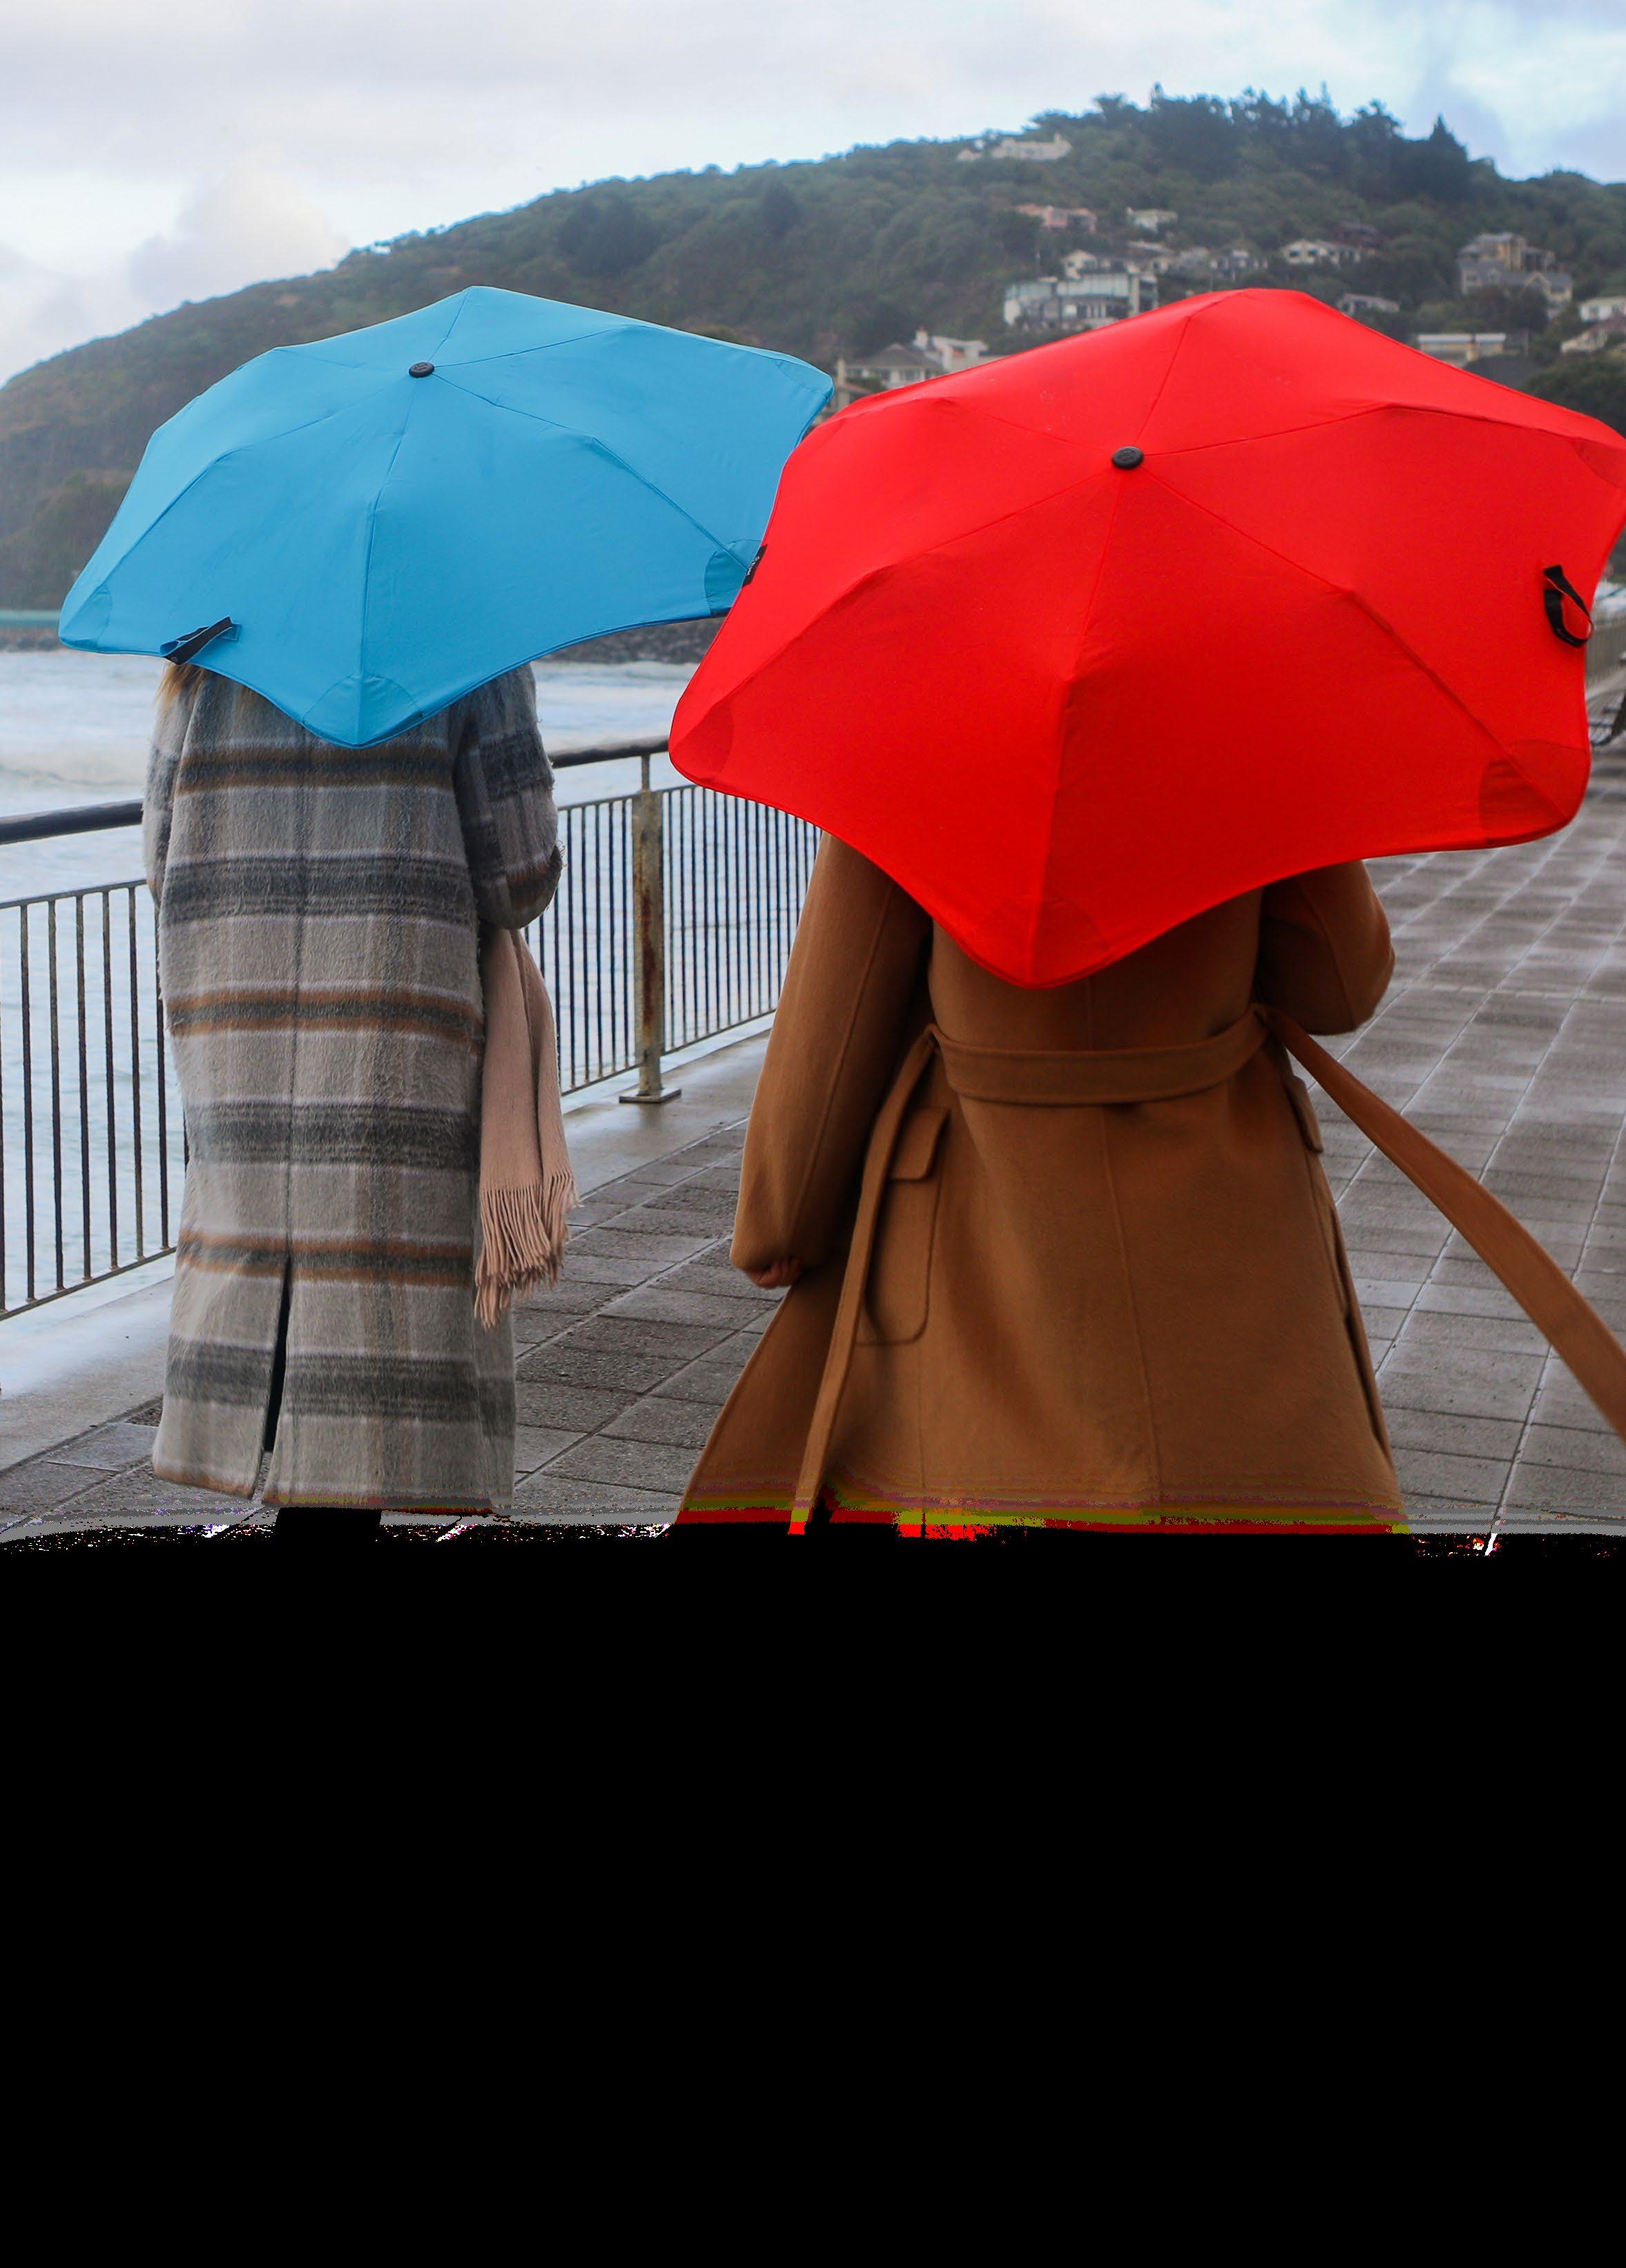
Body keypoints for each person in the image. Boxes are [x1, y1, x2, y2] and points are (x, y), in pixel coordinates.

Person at [677, 836, 1402, 1533]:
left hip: (978, 1212)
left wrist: (780, 1219)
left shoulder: (923, 760)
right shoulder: (1245, 757)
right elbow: (1339, 987)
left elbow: (841, 1007)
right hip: (1225, 1217)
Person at [142, 663, 561, 1540]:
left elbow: (160, 856)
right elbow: (519, 878)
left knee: (274, 1321)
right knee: (365, 1362)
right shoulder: (467, 651)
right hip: (393, 1050)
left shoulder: (212, 655)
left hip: (241, 1043)